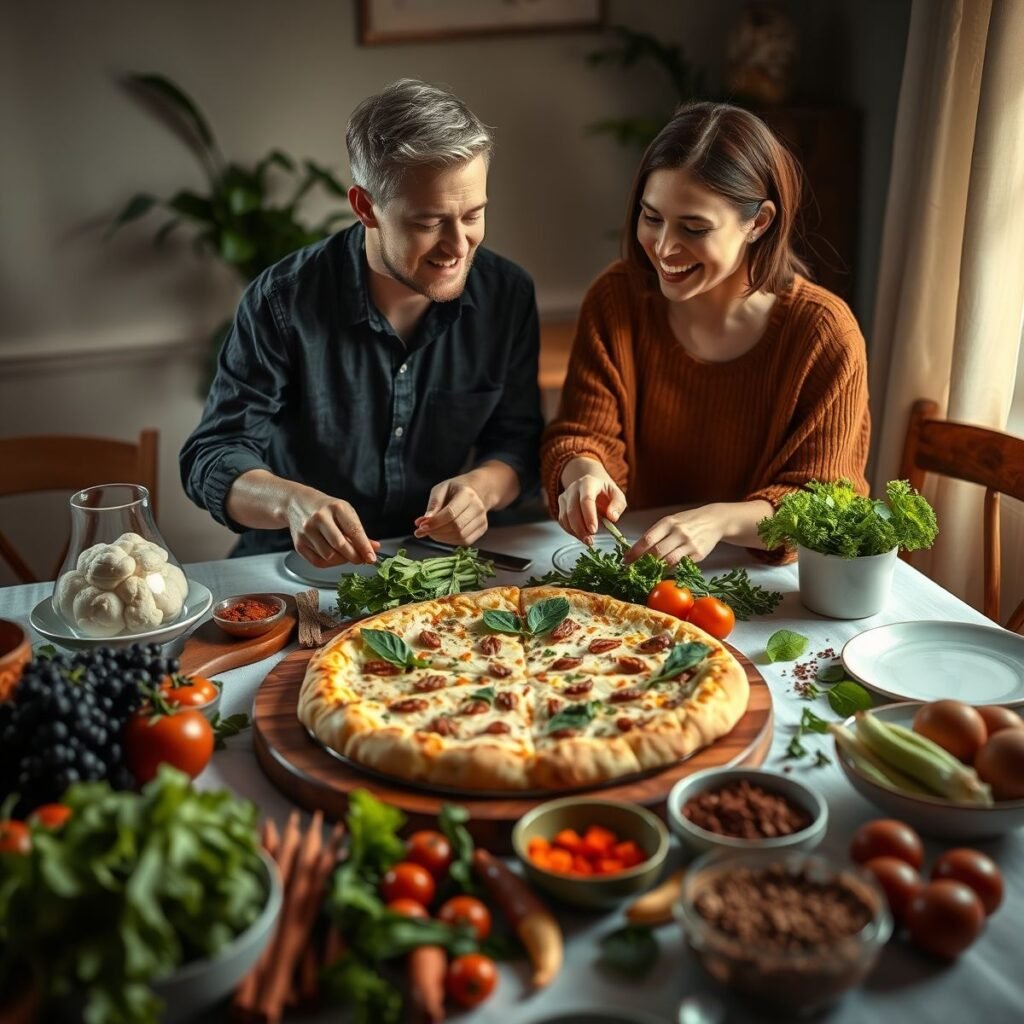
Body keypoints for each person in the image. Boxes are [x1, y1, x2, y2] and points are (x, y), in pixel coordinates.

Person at [181, 79, 543, 565]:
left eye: (473, 215)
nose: (459, 246)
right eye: (429, 222)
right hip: (293, 569)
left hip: (441, 568)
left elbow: (518, 441)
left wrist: (483, 488)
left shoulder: (508, 295)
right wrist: (291, 503)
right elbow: (213, 456)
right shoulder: (281, 300)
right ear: (365, 207)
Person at [541, 101, 869, 565]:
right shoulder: (616, 298)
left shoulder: (824, 333)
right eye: (651, 217)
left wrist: (718, 520)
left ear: (758, 222)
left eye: (694, 228)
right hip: (641, 568)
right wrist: (584, 473)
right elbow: (582, 433)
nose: (664, 248)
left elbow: (827, 504)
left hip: (766, 587)